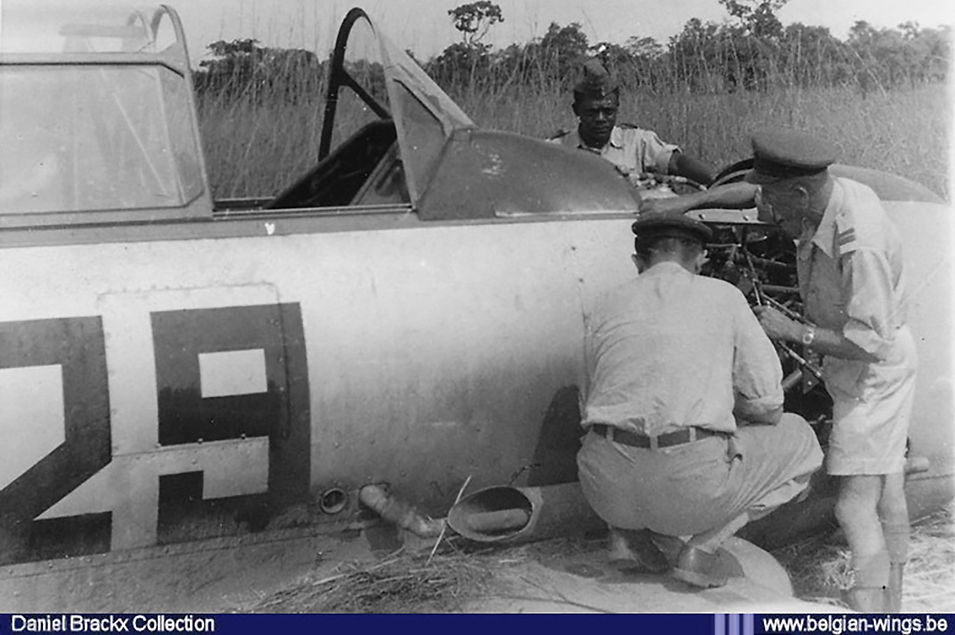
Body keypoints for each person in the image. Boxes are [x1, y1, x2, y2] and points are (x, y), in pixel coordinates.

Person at [644, 129, 917, 612]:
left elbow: (870, 343)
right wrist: (685, 208)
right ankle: (893, 598)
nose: (768, 212)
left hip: (874, 375)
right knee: (888, 482)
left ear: (800, 193)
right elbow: (749, 191)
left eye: (775, 203)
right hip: (857, 366)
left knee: (853, 503)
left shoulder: (861, 243)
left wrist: (794, 332)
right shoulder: (813, 193)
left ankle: (874, 607)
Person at [576, 212, 823, 588]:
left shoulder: (602, 304)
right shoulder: (725, 296)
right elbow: (771, 403)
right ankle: (702, 550)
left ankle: (630, 538)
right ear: (702, 259)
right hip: (688, 493)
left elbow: (589, 402)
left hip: (605, 490)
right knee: (801, 438)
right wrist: (727, 407)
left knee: (609, 439)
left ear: (637, 262)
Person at [549, 59, 715, 187]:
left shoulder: (638, 142)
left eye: (608, 112)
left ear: (617, 108)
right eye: (591, 112)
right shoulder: (554, 149)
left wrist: (716, 183)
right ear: (576, 110)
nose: (600, 119)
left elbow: (677, 163)